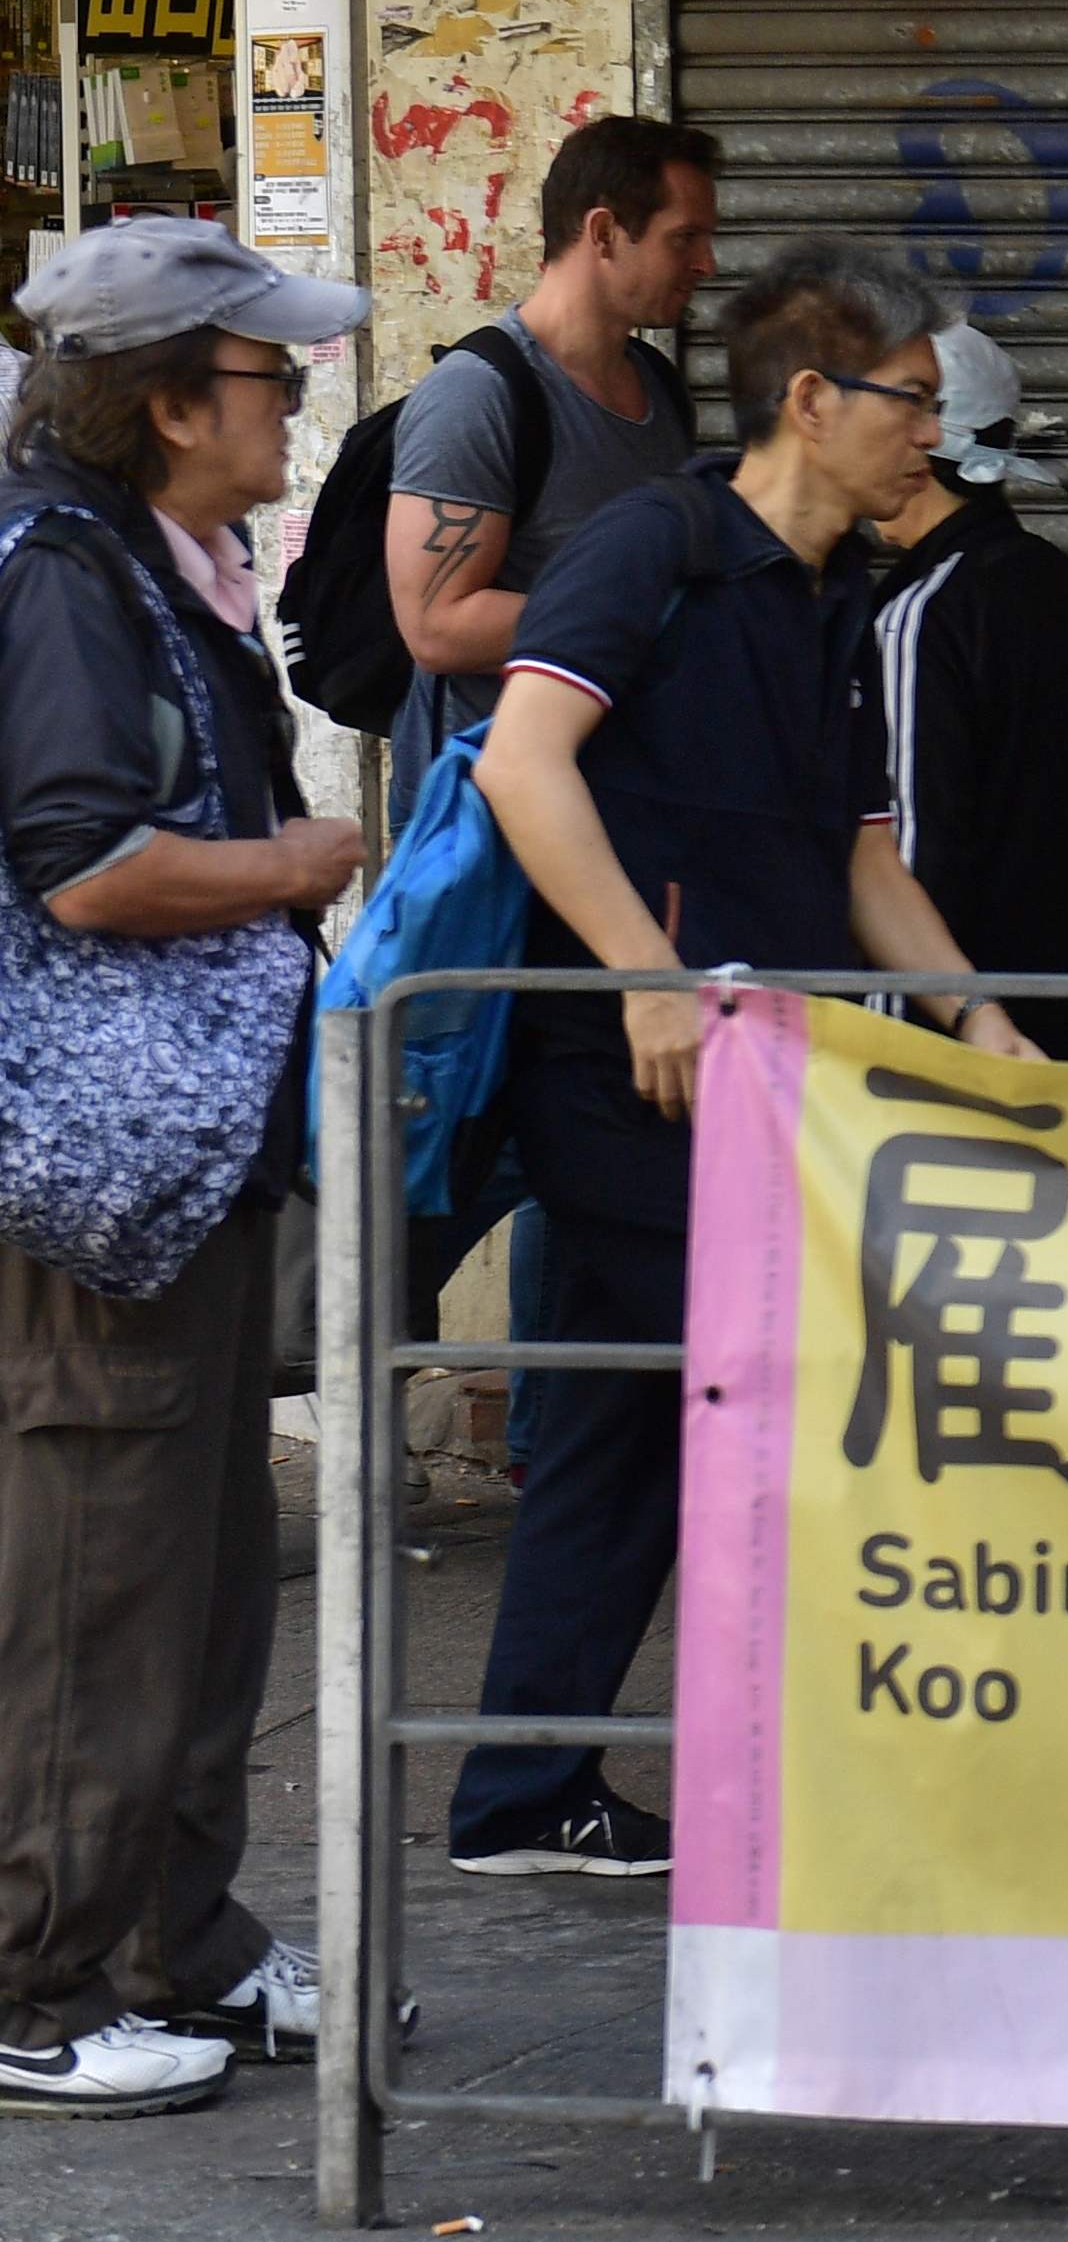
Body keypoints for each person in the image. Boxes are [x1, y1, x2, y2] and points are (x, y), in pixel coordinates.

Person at [454, 243, 1044, 1878]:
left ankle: (523, 1787)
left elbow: (862, 848)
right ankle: (773, 1774)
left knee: (625, 1432)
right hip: (632, 1072)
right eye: (910, 399)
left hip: (764, 1067)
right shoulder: (656, 544)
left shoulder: (829, 585)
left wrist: (975, 1011)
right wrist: (645, 976)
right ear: (810, 396)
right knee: (753, 1409)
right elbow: (522, 756)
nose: (932, 433)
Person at [0, 224, 370, 2112]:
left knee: (210, 1570)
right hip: (100, 1173)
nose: (294, 407)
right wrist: (290, 866)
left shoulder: (164, 566)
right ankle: (38, 1982)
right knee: (99, 1580)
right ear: (164, 403)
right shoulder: (62, 580)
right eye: (268, 378)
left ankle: (179, 1942)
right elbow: (81, 862)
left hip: (186, 1160)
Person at [375, 115, 716, 1438]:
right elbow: (434, 620)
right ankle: (327, 1385)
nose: (701, 264)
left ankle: (555, 1442)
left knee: (585, 1161)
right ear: (602, 231)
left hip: (617, 849)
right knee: (447, 1162)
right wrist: (628, 609)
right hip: (498, 870)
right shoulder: (486, 397)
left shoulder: (660, 395)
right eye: (682, 237)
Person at [866, 325, 1068, 1062]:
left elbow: (908, 852)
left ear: (924, 437)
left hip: (959, 1045)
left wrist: (880, 1046)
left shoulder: (920, 615)